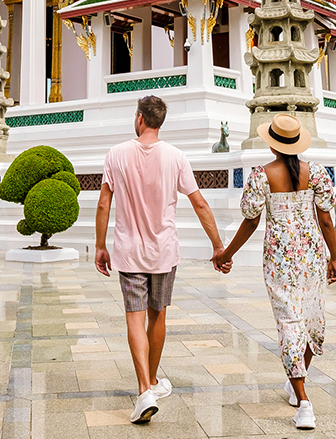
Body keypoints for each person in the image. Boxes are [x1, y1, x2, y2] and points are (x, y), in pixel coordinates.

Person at [96, 95, 226, 424]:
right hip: (164, 252)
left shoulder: (117, 154)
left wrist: (100, 246)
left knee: (134, 319)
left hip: (128, 251)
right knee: (158, 316)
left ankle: (145, 388)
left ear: (140, 118)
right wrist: (218, 245)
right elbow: (199, 203)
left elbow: (103, 203)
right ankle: (150, 383)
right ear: (159, 121)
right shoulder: (176, 157)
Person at [212, 113, 336, 431]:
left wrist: (226, 254)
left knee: (290, 325)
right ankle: (297, 387)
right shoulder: (317, 173)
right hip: (311, 256)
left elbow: (252, 221)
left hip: (280, 260)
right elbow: (326, 219)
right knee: (310, 321)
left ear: (273, 145)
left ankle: (304, 401)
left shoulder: (262, 175)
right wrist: (335, 257)